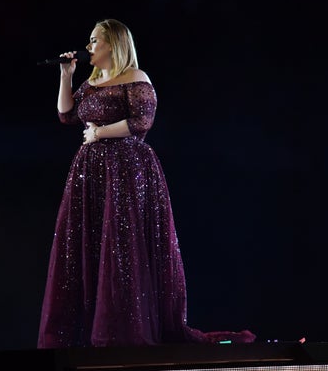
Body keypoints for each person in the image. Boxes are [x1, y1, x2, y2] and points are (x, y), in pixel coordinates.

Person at [37, 18, 255, 348]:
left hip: (125, 169)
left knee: (122, 247)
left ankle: (123, 333)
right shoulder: (93, 82)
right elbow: (66, 115)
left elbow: (141, 121)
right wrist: (66, 76)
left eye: (95, 41)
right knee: (92, 244)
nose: (89, 47)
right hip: (91, 172)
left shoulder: (136, 78)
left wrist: (99, 132)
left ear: (114, 44)